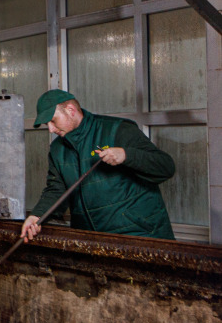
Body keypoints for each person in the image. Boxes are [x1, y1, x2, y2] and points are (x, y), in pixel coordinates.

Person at [21, 89, 175, 242]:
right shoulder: (57, 149)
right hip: (91, 240)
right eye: (46, 124)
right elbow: (56, 190)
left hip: (139, 236)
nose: (50, 129)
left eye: (53, 121)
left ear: (70, 110)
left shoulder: (117, 130)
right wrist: (37, 216)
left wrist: (126, 155)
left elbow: (166, 167)